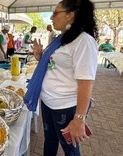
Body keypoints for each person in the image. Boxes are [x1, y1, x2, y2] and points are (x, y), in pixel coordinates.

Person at [24, 0, 99, 155]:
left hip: (65, 106)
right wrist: (40, 57)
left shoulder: (83, 41)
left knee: (70, 149)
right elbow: (56, 68)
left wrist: (79, 119)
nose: (51, 17)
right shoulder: (62, 38)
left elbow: (86, 83)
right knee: (50, 141)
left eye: (56, 13)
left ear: (70, 15)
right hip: (48, 102)